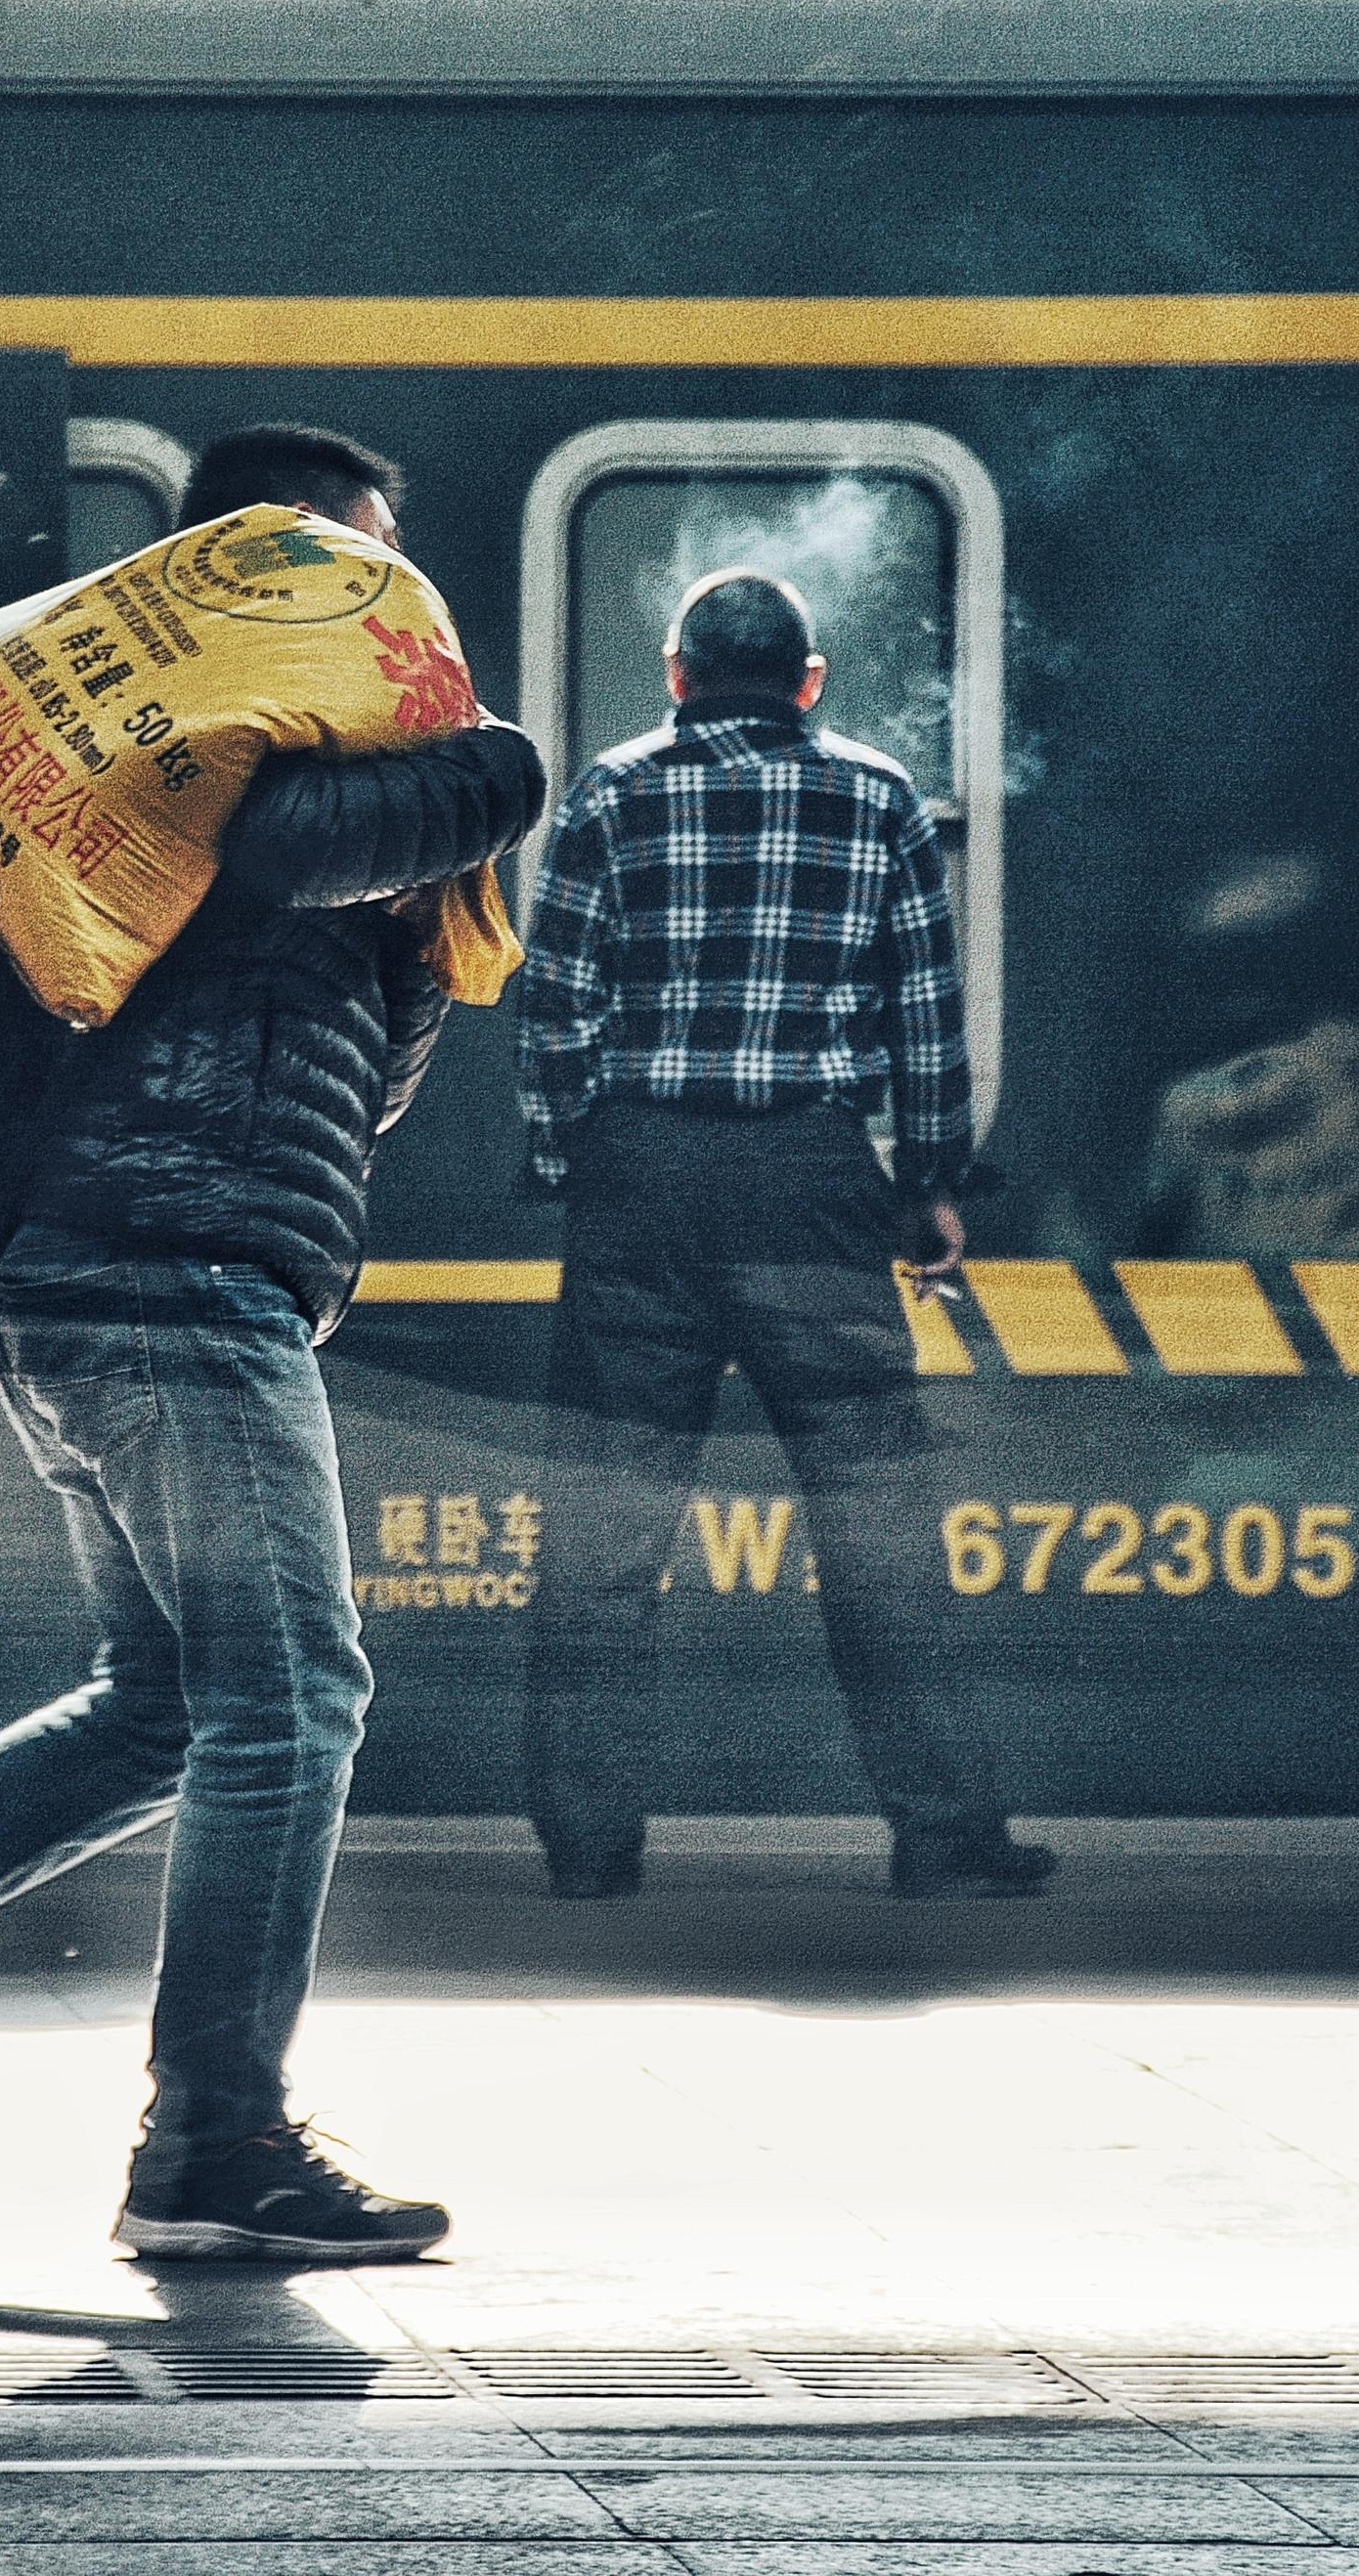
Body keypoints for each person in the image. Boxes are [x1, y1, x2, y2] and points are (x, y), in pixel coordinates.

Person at [0, 427, 544, 2263]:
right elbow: (301, 840)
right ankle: (213, 2138)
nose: (392, 626)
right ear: (259, 582)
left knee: (169, 1703)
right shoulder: (227, 765)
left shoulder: (174, 794)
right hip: (172, 1282)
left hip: (128, 1283)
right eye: (357, 580)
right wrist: (499, 767)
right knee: (293, 1697)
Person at [514, 567, 1049, 1903]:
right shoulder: (876, 796)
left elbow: (554, 1001)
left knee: (603, 1536)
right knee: (877, 1529)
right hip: (811, 1178)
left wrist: (575, 1151)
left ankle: (589, 1845)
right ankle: (941, 1833)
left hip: (642, 1175)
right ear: (810, 681)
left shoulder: (611, 791)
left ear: (678, 674)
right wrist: (928, 1179)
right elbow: (925, 1011)